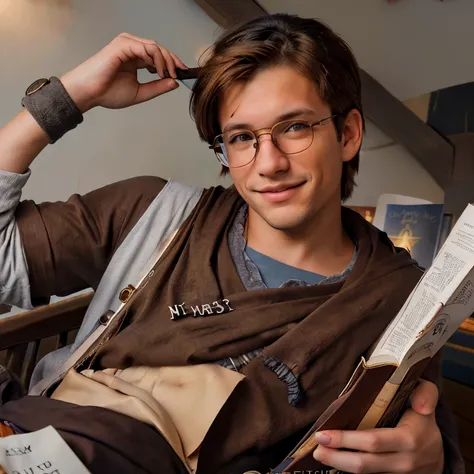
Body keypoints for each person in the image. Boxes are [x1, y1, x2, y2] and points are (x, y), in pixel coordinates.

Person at [0, 13, 463, 474]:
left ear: (347, 134)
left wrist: (430, 462)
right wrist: (68, 97)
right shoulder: (151, 211)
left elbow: (418, 441)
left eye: (295, 127)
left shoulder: (405, 300)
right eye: (242, 137)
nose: (269, 163)